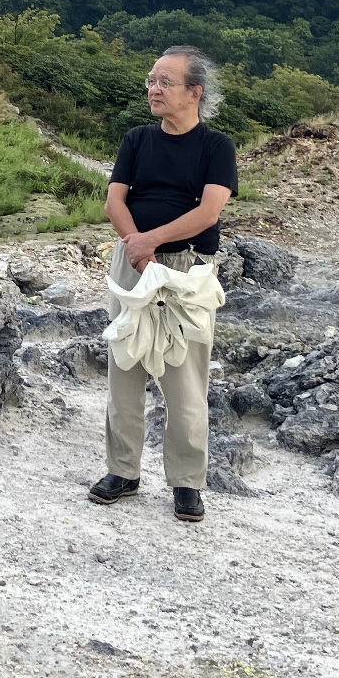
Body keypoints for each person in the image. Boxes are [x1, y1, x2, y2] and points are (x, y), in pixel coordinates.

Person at [89, 46, 238, 522]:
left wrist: (149, 240)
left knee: (185, 379)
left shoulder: (217, 147)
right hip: (132, 264)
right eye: (151, 81)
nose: (154, 89)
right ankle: (123, 471)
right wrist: (136, 245)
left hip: (186, 271)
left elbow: (209, 211)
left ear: (195, 92)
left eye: (165, 82)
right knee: (124, 370)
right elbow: (115, 200)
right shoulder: (136, 139)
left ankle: (187, 483)